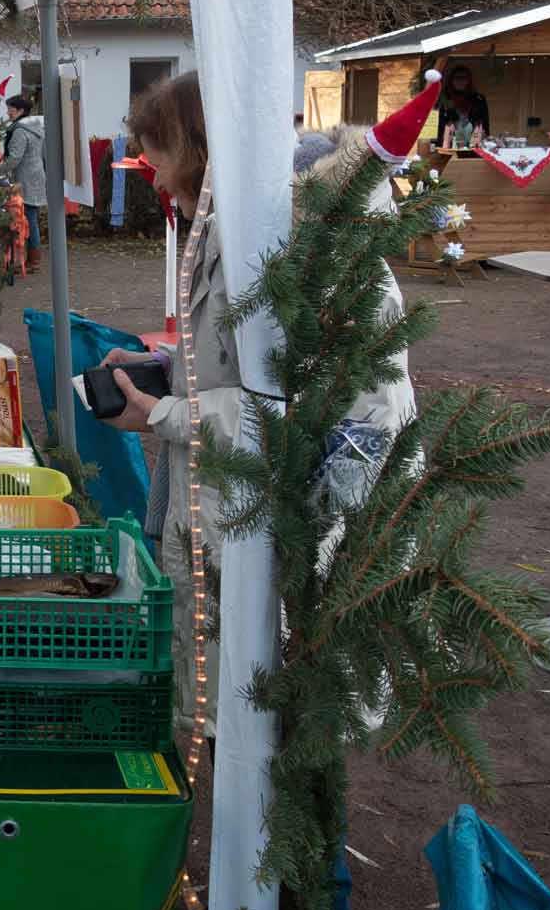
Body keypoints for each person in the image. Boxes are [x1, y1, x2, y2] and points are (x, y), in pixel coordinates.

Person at [96, 72, 419, 730]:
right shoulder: (241, 230)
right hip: (240, 507)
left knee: (270, 713)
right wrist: (166, 368)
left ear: (197, 152)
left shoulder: (287, 248)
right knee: (237, 699)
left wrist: (163, 413)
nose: (155, 182)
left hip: (282, 522)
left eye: (157, 161)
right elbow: (245, 357)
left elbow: (292, 414)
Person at [0, 93, 47, 272]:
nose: (8, 113)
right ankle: (33, 259)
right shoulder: (35, 127)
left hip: (26, 178)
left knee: (28, 218)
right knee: (31, 217)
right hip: (36, 174)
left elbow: (14, 159)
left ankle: (32, 261)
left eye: (10, 109)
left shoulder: (20, 131)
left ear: (20, 111)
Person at [436, 63, 490, 143]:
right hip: (449, 143)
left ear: (468, 80)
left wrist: (484, 138)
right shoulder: (444, 98)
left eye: (464, 78)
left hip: (473, 143)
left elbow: (484, 124)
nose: (460, 81)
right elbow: (438, 124)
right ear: (451, 80)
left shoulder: (478, 99)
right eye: (457, 78)